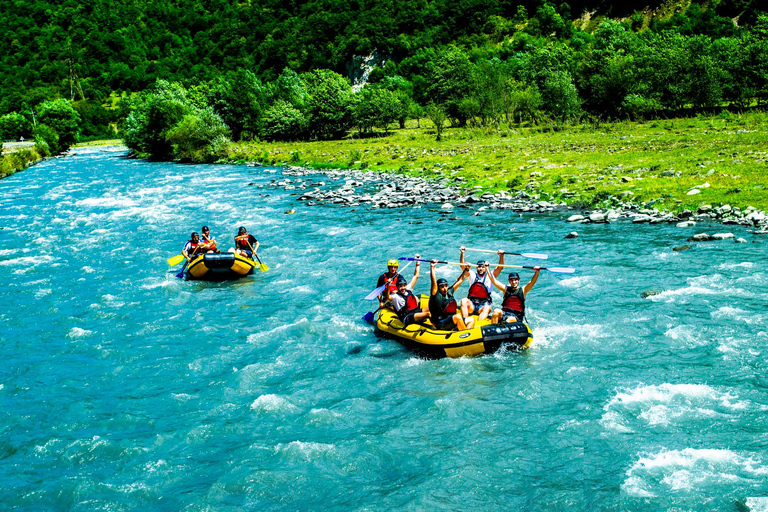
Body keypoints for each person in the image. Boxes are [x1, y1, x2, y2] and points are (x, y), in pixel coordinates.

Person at [458, 246, 505, 322]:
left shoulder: (490, 275)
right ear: (476, 268)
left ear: (485, 268)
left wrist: (501, 256)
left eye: (483, 267)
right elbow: (462, 266)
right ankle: (465, 321)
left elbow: (500, 267)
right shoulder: (472, 275)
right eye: (479, 267)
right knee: (463, 300)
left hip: (482, 305)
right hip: (472, 304)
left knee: (488, 308)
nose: (480, 268)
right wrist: (462, 253)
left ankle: (478, 324)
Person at [428, 260, 475, 331]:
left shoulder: (449, 292)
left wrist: (467, 269)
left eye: (446, 286)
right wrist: (432, 267)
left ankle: (466, 334)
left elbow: (460, 280)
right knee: (457, 317)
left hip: (451, 321)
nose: (445, 289)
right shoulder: (436, 295)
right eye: (442, 287)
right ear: (438, 288)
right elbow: (433, 281)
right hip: (441, 323)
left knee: (471, 319)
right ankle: (464, 335)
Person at [384, 260, 431, 326]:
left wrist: (418, 262)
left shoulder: (408, 289)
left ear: (406, 285)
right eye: (400, 286)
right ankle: (435, 326)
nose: (403, 288)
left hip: (415, 311)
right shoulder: (395, 296)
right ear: (397, 287)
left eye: (404, 285)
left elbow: (416, 276)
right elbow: (387, 297)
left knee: (433, 307)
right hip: (407, 317)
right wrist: (388, 285)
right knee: (428, 314)